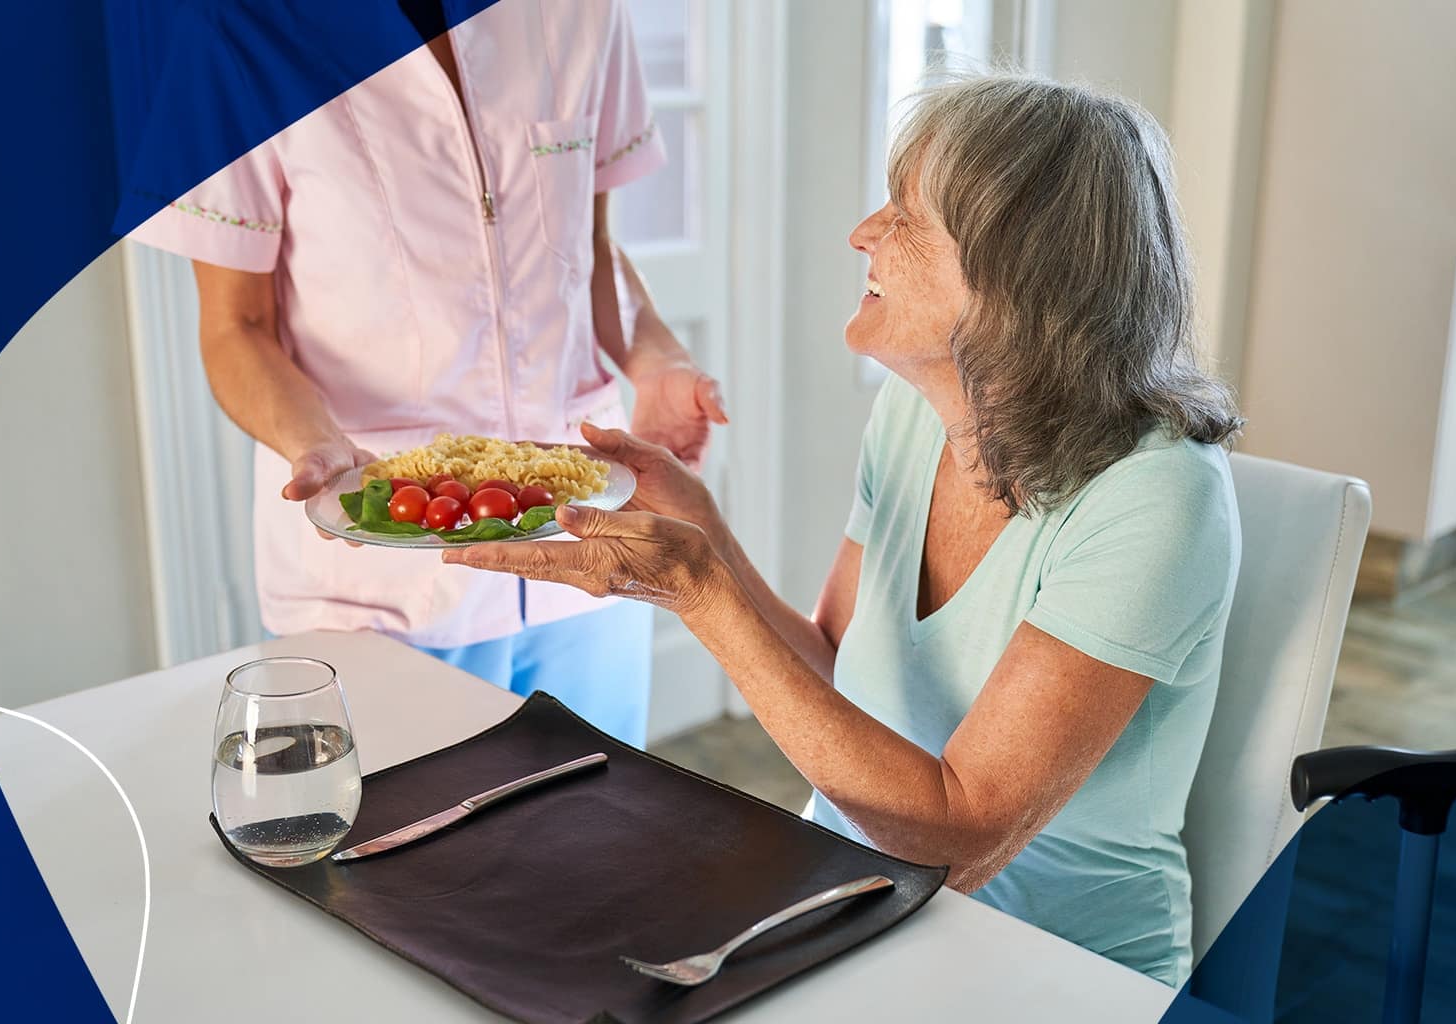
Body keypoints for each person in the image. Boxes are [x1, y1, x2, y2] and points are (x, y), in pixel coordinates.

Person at [437, 74, 1244, 986]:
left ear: (1018, 275)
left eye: (905, 216)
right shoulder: (918, 416)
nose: (863, 233)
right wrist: (706, 535)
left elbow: (962, 844)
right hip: (853, 906)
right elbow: (835, 669)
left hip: (1057, 971)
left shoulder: (1156, 497)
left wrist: (700, 595)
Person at [127, 0, 725, 746]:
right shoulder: (234, 32)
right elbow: (235, 326)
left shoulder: (580, 11)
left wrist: (656, 357)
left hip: (580, 550)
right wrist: (314, 442)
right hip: (386, 563)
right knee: (405, 851)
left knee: (600, 840)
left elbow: (593, 247)